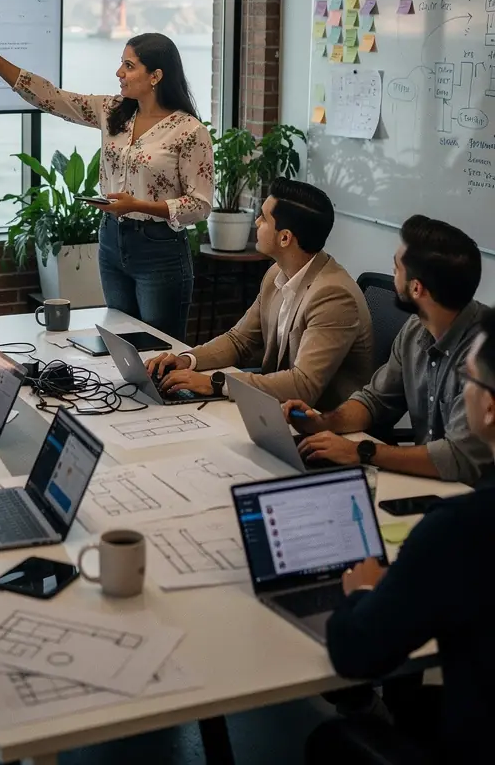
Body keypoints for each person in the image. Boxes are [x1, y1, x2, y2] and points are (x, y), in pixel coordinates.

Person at [306, 305, 495, 765]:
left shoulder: (461, 529)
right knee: (412, 703)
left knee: (330, 740)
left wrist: (366, 587)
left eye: (468, 380)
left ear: (488, 407)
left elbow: (356, 653)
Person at [0, 26, 213, 340]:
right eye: (121, 63)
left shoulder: (189, 130)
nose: (119, 72)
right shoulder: (112, 111)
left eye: (129, 66)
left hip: (160, 251)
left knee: (159, 350)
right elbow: (49, 97)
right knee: (120, 344)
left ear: (156, 76)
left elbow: (200, 205)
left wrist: (139, 206)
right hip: (112, 242)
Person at [285, 214, 491, 486]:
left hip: (476, 498)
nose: (392, 275)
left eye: (396, 269)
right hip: (427, 484)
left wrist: (362, 451)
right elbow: (376, 401)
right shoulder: (416, 329)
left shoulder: (484, 355)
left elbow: (459, 458)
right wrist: (324, 423)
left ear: (417, 288)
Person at [147, 179, 374, 407]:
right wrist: (187, 360)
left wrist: (216, 383)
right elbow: (239, 340)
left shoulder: (333, 296)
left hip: (324, 424)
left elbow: (304, 385)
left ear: (285, 238)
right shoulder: (277, 273)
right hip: (276, 407)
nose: (256, 221)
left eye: (263, 218)